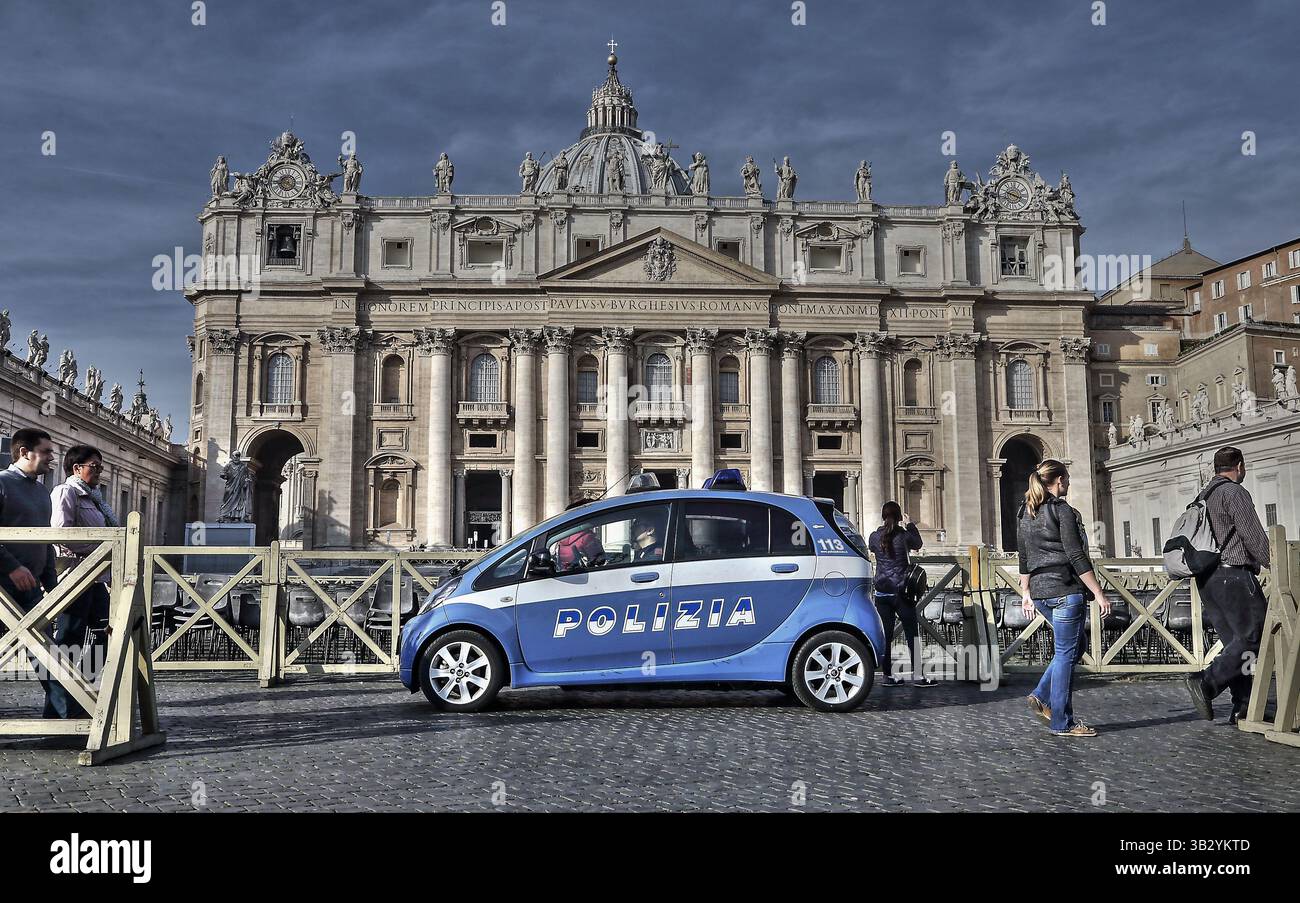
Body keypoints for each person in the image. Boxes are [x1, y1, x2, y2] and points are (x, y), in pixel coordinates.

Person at [1016, 459, 1112, 738]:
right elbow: (1076, 555)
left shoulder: (1025, 511)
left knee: (1073, 647)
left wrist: (1025, 593)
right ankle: (1063, 722)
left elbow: (1024, 558)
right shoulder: (1063, 511)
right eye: (1066, 478)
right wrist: (1098, 591)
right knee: (1067, 653)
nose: (1068, 483)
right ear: (1058, 481)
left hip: (1041, 593)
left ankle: (1041, 694)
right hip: (1066, 590)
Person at [1184, 446, 1270, 725]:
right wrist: (1274, 562)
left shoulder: (1203, 495)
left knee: (1235, 642)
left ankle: (1243, 706)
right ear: (1240, 466)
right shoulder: (1234, 493)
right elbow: (1253, 536)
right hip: (1233, 576)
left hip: (1207, 579)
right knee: (1255, 636)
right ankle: (1206, 682)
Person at [0, 428, 66, 717]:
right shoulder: (1, 483)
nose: (52, 457)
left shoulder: (42, 492)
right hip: (2, 584)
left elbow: (45, 539)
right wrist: (12, 567)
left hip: (31, 588)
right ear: (25, 452)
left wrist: (52, 580)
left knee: (45, 650)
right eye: (47, 451)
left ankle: (62, 717)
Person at [49, 444, 117, 718]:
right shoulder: (67, 492)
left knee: (107, 633)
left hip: (97, 577)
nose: (99, 471)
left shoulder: (96, 498)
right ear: (77, 468)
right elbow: (61, 533)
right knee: (69, 638)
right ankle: (57, 706)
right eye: (94, 466)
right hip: (75, 576)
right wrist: (103, 546)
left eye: (101, 466)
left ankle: (80, 690)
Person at [868, 501, 933, 687]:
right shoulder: (904, 536)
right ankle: (919, 676)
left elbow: (874, 549)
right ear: (898, 517)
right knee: (912, 634)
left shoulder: (874, 537)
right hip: (902, 592)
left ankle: (887, 676)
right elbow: (918, 543)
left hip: (882, 592)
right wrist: (910, 524)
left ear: (882, 516)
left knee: (886, 635)